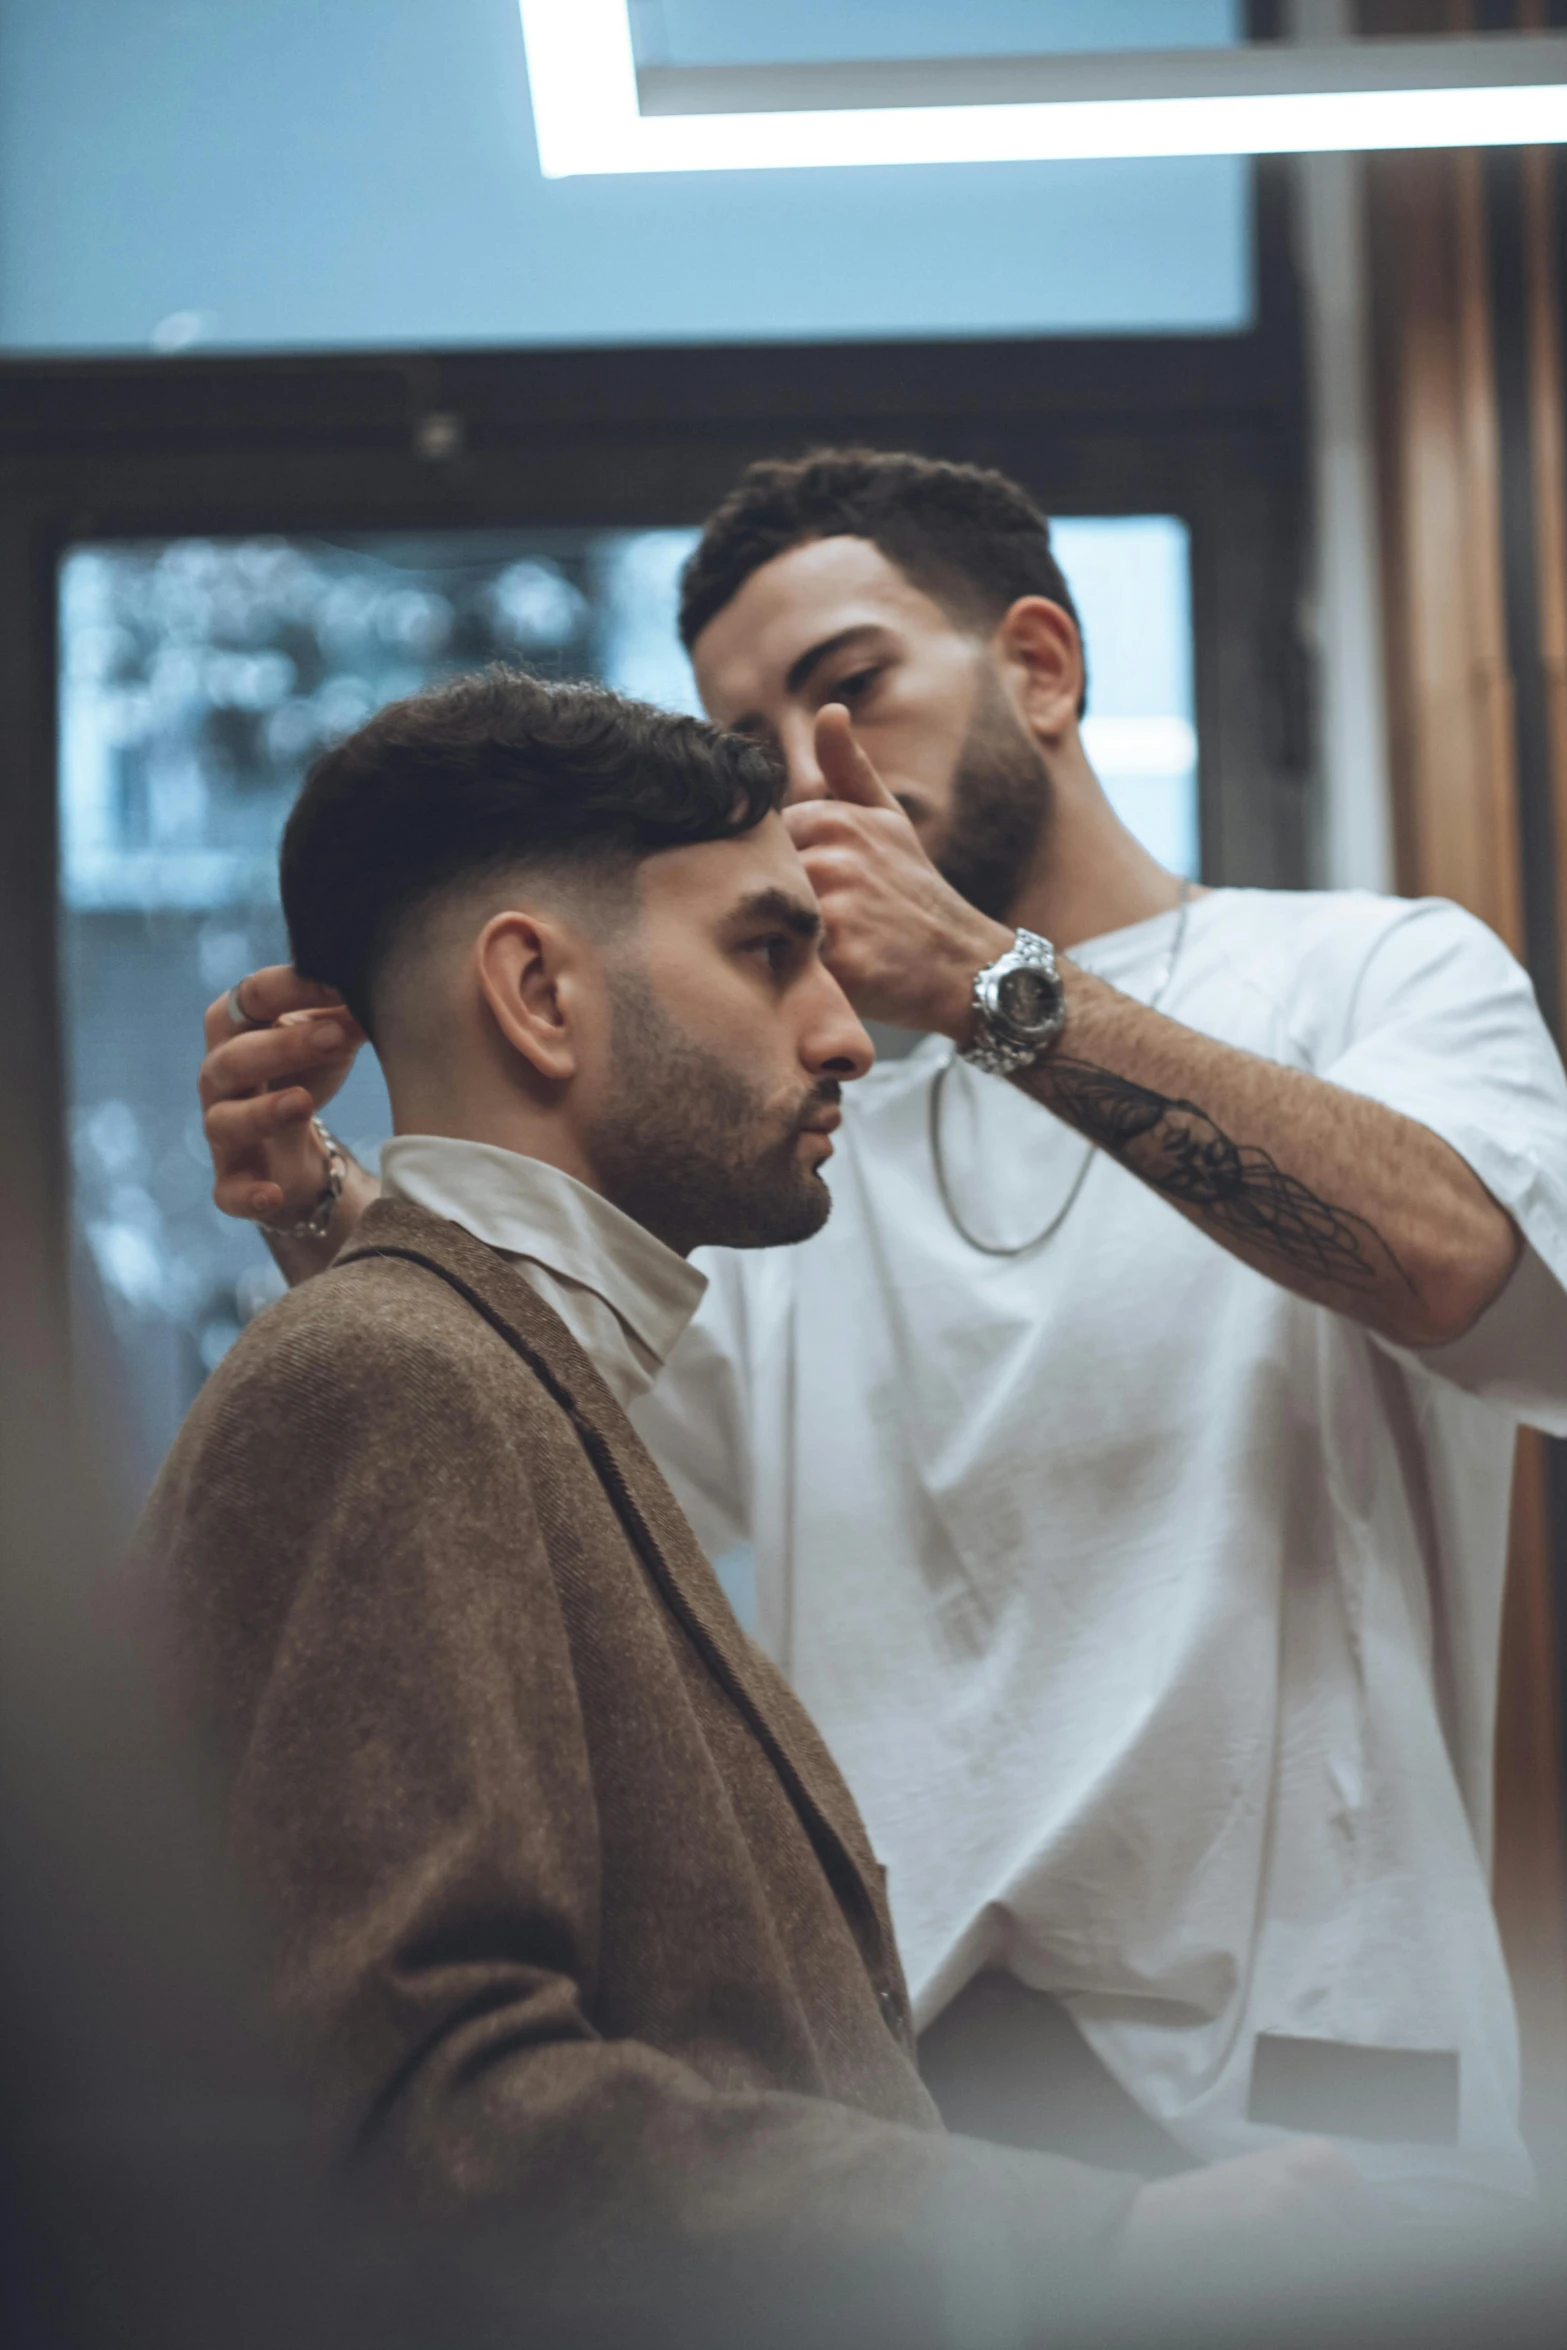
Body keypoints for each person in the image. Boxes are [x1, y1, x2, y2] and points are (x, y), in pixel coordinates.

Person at [197, 453, 1567, 2214]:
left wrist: (1001, 990)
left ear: (1041, 669)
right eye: (749, 729)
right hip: (907, 2084)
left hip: (1313, 2079)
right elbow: (558, 1459)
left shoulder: (1370, 975)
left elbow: (1461, 1261)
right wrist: (328, 1214)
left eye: (849, 685)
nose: (804, 761)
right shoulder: (791, 1140)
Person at [150, 669, 1369, 2347]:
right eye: (766, 947)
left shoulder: (493, 1370)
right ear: (537, 991)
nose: (848, 1029)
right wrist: (1098, 2241)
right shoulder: (386, 1380)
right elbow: (427, 2115)